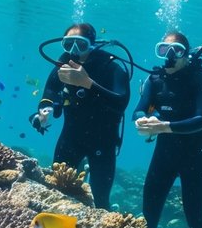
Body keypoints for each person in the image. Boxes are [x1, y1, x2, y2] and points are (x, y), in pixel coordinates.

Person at [134, 31, 202, 228]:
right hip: (164, 155)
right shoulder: (155, 79)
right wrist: (143, 121)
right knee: (149, 209)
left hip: (195, 156)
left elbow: (201, 120)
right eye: (163, 50)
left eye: (176, 51)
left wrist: (164, 127)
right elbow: (138, 110)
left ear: (187, 55)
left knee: (194, 215)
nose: (169, 57)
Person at [30, 23, 129, 209]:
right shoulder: (63, 63)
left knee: (100, 201)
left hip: (103, 141)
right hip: (71, 138)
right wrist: (45, 110)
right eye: (68, 45)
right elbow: (50, 91)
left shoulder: (111, 67)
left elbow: (121, 102)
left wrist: (87, 83)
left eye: (80, 45)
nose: (73, 51)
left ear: (92, 44)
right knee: (55, 192)